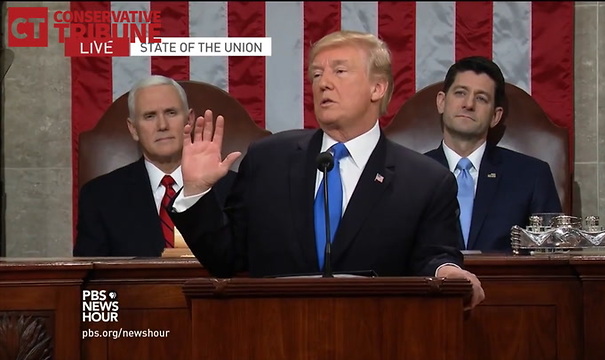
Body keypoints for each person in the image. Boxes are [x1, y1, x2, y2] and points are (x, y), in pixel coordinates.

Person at [170, 31, 484, 309]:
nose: (323, 83)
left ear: (377, 88)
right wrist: (197, 190)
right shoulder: (268, 159)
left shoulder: (424, 181)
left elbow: (434, 257)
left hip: (379, 336)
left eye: (340, 71)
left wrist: (449, 274)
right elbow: (226, 259)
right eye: (316, 74)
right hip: (271, 335)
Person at [73, 75, 234, 257]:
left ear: (189, 120)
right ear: (133, 129)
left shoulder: (235, 188)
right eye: (150, 116)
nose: (162, 125)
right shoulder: (99, 197)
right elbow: (90, 278)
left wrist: (198, 192)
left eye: (171, 113)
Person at [424, 56, 563, 252]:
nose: (469, 104)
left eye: (481, 98)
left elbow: (553, 257)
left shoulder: (532, 175)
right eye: (460, 93)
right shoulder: (410, 175)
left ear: (495, 116)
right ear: (441, 102)